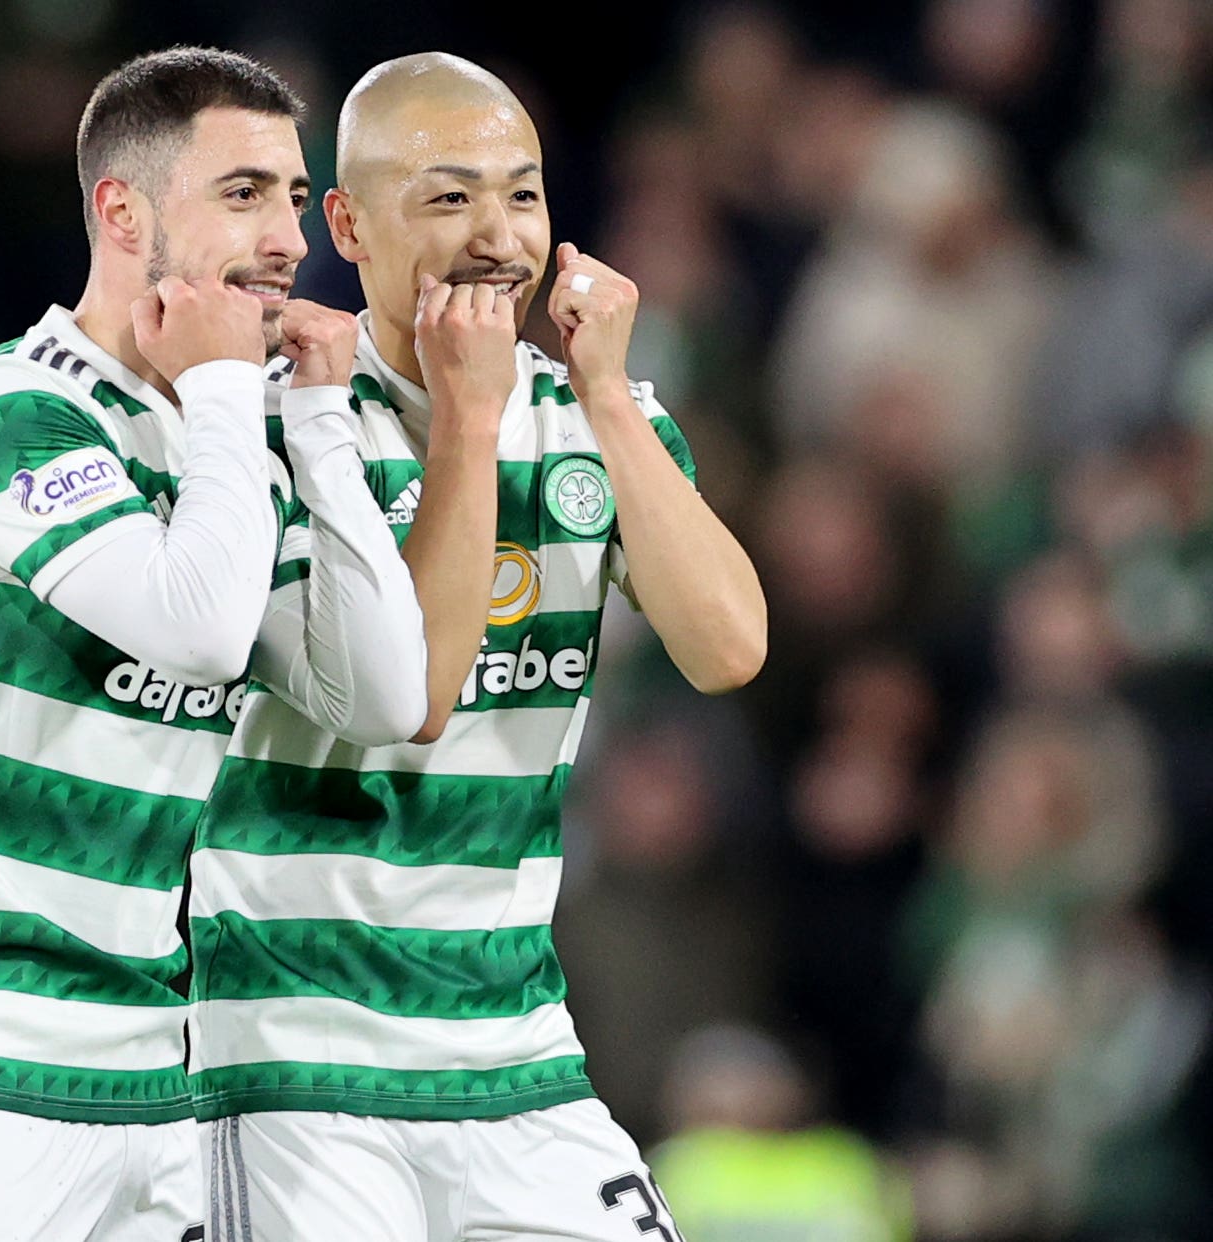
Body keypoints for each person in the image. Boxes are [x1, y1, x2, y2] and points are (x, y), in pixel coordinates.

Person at [0, 46, 439, 1242]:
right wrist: (221, 401)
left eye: (294, 198)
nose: (287, 238)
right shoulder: (3, 414)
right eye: (242, 193)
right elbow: (198, 631)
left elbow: (385, 694)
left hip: (153, 1065)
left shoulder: (230, 442)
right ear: (121, 210)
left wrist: (312, 424)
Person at [188, 53, 767, 1241]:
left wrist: (605, 398)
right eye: (449, 198)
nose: (498, 235)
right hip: (295, 1053)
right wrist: (466, 413)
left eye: (523, 193)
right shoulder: (265, 422)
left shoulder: (593, 417)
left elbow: (728, 649)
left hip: (514, 1048)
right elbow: (419, 694)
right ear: (345, 224)